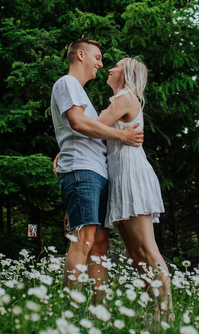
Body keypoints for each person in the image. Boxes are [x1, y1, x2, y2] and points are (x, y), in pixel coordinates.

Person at [50, 39, 143, 299]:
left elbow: (84, 130)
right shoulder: (66, 83)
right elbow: (78, 123)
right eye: (98, 57)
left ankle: (96, 311)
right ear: (80, 55)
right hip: (82, 170)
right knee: (84, 239)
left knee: (100, 244)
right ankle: (70, 310)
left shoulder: (81, 94)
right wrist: (123, 137)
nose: (101, 64)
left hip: (98, 172)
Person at [96, 57, 173, 322]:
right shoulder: (123, 99)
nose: (109, 68)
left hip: (131, 175)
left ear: (126, 74)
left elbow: (93, 127)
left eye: (115, 66)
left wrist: (66, 149)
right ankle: (155, 311)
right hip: (120, 175)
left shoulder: (125, 98)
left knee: (147, 249)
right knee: (136, 253)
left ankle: (166, 315)